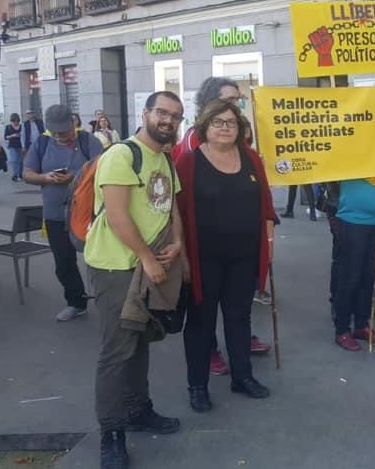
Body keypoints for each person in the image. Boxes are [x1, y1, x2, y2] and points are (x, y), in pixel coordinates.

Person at [85, 91, 185, 468]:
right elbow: (116, 214)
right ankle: (111, 434)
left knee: (140, 340)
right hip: (116, 266)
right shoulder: (121, 155)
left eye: (175, 116)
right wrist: (146, 257)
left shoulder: (164, 158)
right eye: (162, 112)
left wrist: (177, 243)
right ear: (145, 113)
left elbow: (172, 205)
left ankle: (138, 410)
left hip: (149, 265)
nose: (168, 120)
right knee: (117, 350)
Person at [176, 99, 275, 412]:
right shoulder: (189, 162)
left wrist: (269, 243)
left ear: (239, 127)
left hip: (244, 255)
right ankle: (197, 386)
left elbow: (266, 204)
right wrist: (183, 259)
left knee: (239, 317)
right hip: (204, 258)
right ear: (205, 125)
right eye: (218, 122)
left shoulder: (251, 158)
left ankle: (242, 377)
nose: (224, 127)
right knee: (201, 323)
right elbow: (175, 214)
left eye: (231, 122)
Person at [22, 105, 104, 321]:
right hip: (55, 215)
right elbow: (27, 173)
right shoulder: (41, 143)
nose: (60, 135)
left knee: (99, 259)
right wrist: (46, 178)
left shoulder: (89, 141)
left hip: (89, 214)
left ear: (73, 123)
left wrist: (74, 177)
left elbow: (103, 170)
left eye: (65, 131)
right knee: (63, 262)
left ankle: (109, 301)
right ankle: (76, 301)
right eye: (55, 132)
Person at [332, 175, 375, 350]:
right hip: (353, 222)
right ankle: (342, 330)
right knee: (350, 278)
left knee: (368, 277)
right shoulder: (353, 153)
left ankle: (361, 325)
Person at [4, 113, 23, 181]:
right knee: (14, 160)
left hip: (21, 146)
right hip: (12, 146)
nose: (16, 123)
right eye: (14, 121)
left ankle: (21, 175)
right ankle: (15, 175)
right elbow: (5, 137)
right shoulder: (8, 127)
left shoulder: (22, 126)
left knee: (21, 161)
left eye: (17, 121)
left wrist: (21, 135)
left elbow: (25, 135)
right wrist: (12, 136)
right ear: (11, 121)